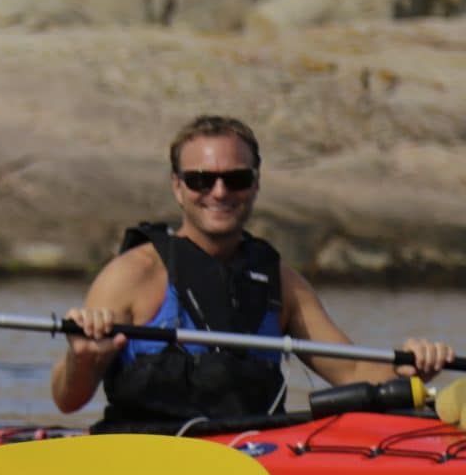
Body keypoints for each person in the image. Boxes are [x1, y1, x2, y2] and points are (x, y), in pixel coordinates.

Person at [50, 114, 453, 427]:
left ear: (255, 184)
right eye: (201, 180)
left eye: (236, 179)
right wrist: (82, 358)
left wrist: (405, 368)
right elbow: (68, 400)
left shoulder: (279, 281)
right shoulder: (131, 275)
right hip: (144, 456)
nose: (219, 192)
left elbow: (351, 369)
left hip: (250, 459)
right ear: (177, 187)